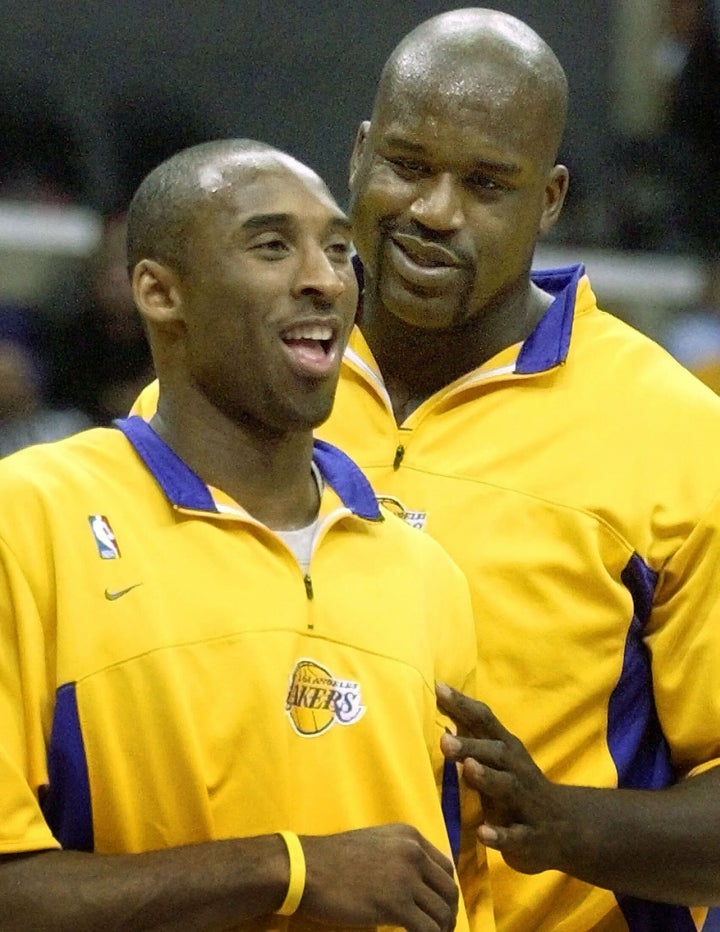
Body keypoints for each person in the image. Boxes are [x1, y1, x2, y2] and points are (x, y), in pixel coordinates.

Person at [130, 11, 720, 929]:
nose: (435, 211)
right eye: (409, 165)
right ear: (359, 155)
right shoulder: (220, 390)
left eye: (487, 184)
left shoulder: (679, 437)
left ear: (551, 199)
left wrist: (567, 827)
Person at [0, 138, 490, 931]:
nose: (323, 278)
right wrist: (286, 869)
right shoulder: (31, 519)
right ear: (160, 292)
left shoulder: (425, 572)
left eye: (338, 249)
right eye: (271, 246)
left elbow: (457, 893)